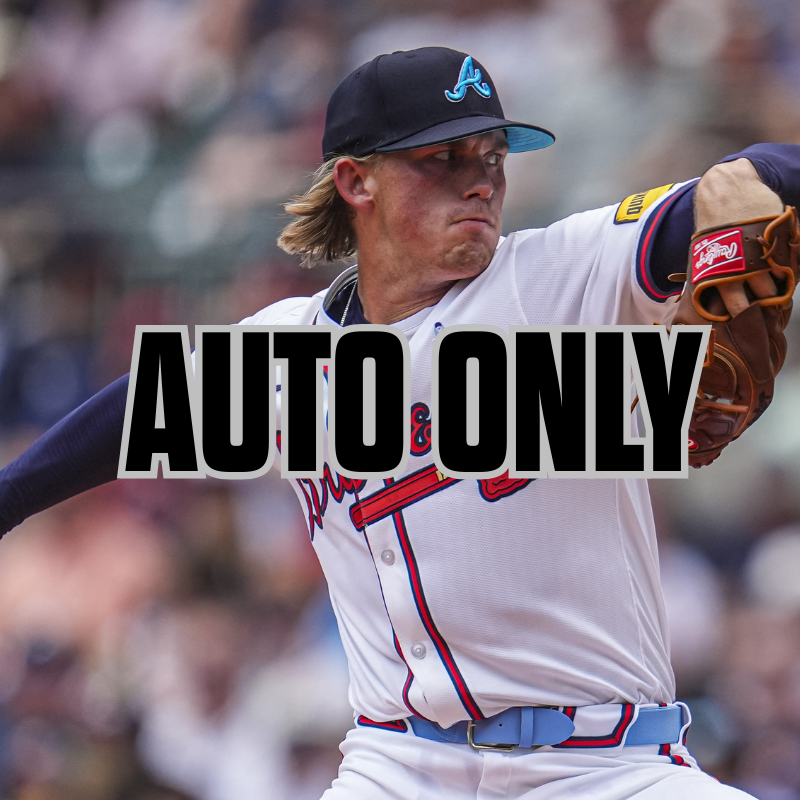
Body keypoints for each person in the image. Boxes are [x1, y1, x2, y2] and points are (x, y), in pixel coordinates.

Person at [2, 46, 800, 799]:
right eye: (445, 159)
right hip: (399, 764)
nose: (482, 182)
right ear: (357, 181)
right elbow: (136, 409)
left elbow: (760, 179)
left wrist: (750, 178)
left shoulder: (556, 279)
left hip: (605, 765)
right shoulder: (291, 352)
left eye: (493, 157)